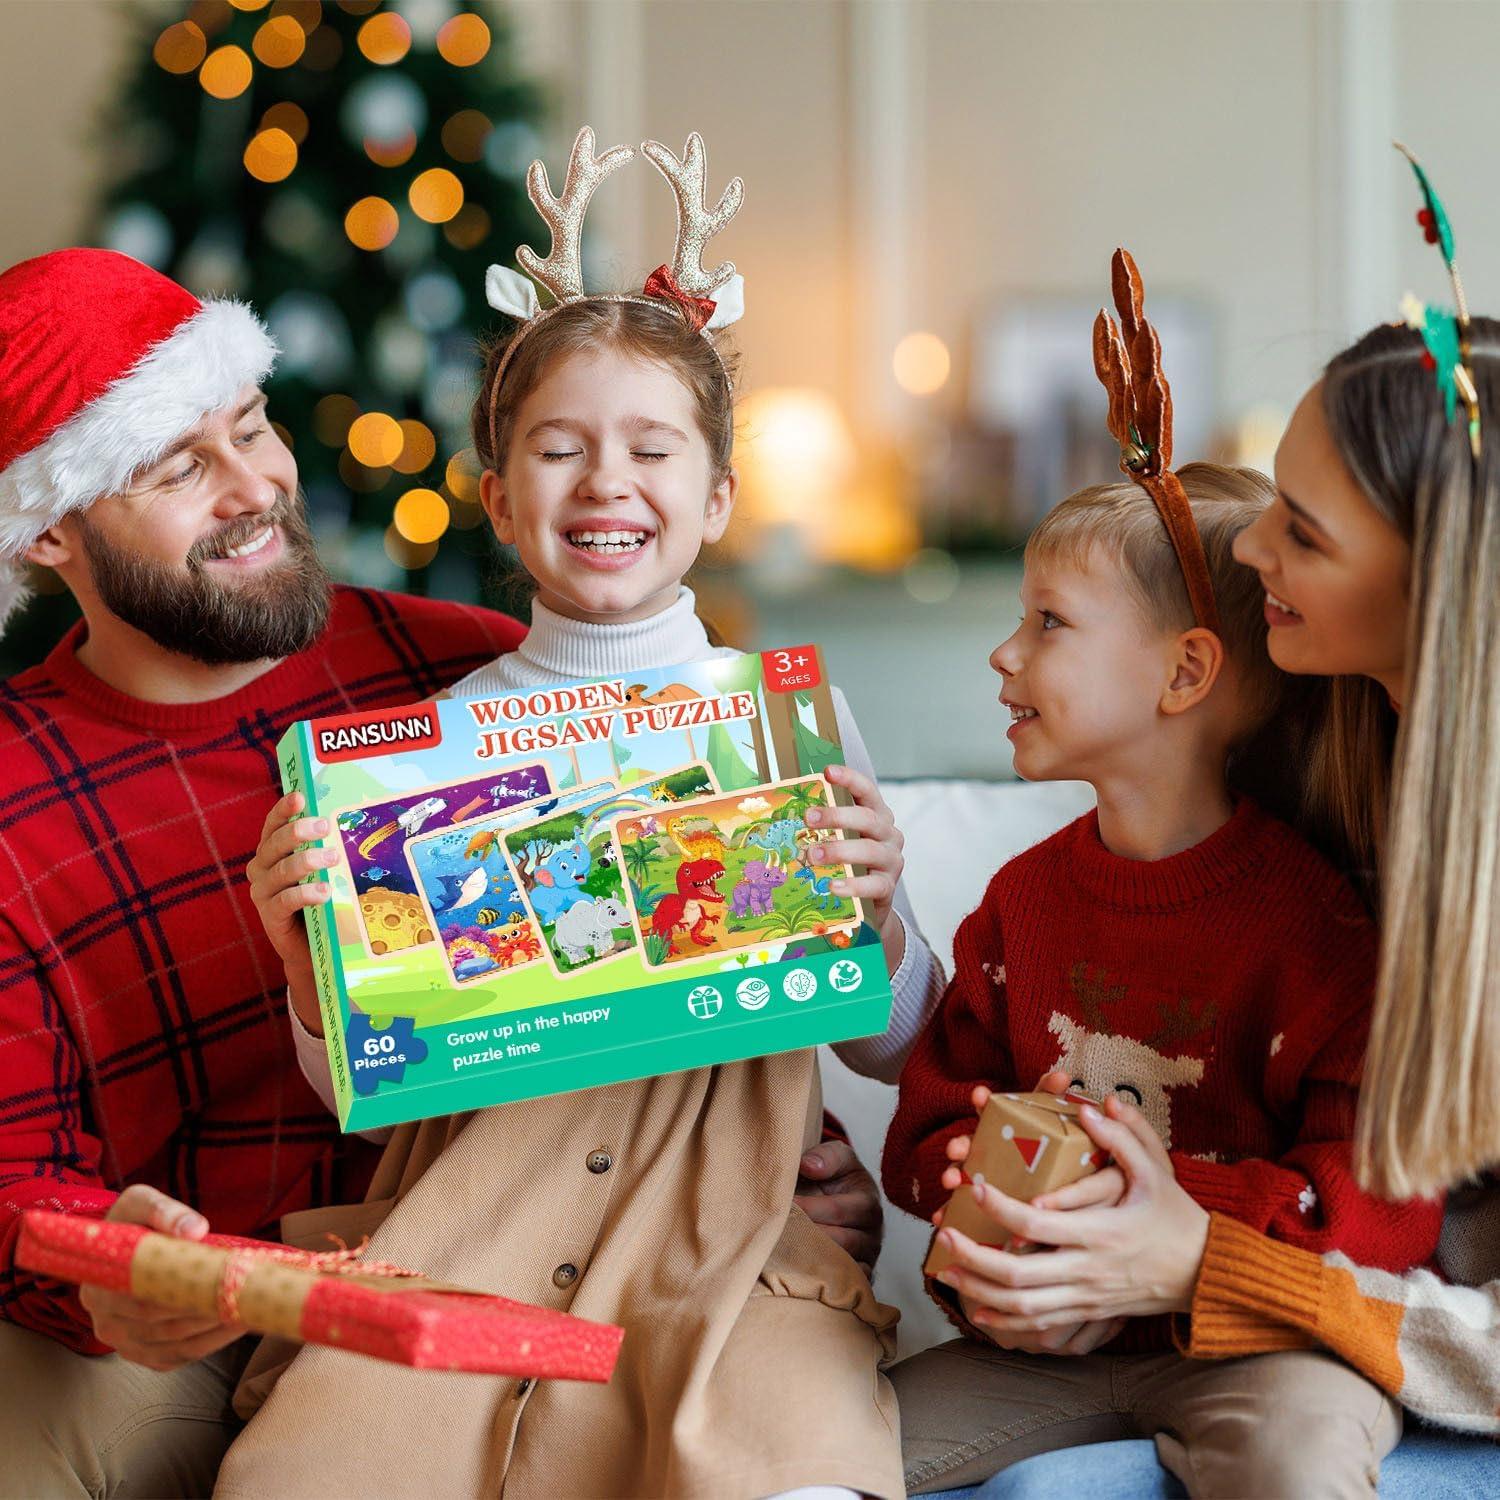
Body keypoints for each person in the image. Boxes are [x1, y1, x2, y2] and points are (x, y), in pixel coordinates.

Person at [0, 246, 889, 1498]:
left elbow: (713, 956)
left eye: (251, 429)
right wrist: (111, 1268)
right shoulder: (14, 800)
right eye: (181, 468)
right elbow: (14, 1175)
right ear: (51, 528)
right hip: (237, 1299)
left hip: (542, 1243)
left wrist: (794, 1167)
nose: (256, 487)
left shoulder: (461, 671)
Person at [215, 130, 945, 1500]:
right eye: (560, 451)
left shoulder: (793, 728)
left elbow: (898, 1039)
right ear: (501, 501)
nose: (607, 481)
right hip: (466, 1238)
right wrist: (308, 968)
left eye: (651, 450)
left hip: (727, 1259)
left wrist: (883, 920)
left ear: (716, 499)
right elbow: (373, 1091)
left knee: (795, 1475)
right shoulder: (419, 756)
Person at [909, 314, 1500, 1491]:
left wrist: (1188, 1250)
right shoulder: (1311, 760)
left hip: (1384, 1345)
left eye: (1304, 530)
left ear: (1433, 583)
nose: (1252, 543)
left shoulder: (1316, 912)